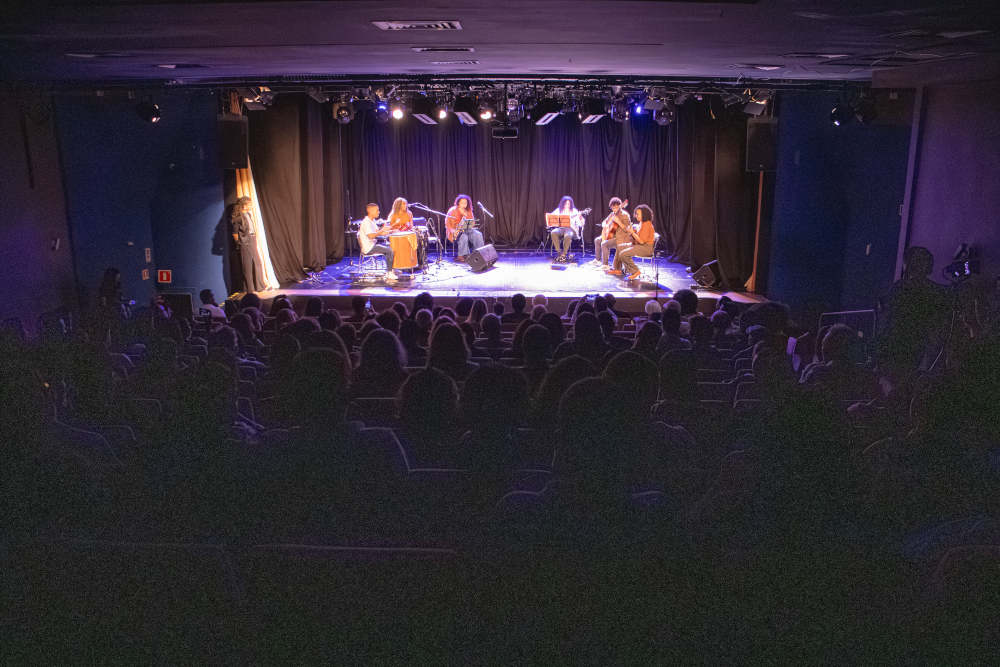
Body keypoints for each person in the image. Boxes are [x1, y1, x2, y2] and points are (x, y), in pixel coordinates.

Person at [609, 204, 655, 280]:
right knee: (620, 247)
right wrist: (632, 232)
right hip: (638, 245)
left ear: (644, 215)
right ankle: (618, 269)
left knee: (623, 254)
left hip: (645, 248)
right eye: (636, 214)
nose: (636, 216)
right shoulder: (642, 223)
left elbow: (642, 241)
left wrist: (632, 232)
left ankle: (635, 271)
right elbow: (637, 237)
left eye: (638, 214)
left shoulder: (647, 224)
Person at [358, 203, 399, 281]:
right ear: (371, 211)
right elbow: (371, 236)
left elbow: (379, 232)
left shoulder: (372, 221)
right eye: (377, 210)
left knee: (392, 246)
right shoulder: (366, 222)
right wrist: (381, 231)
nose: (378, 212)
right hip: (369, 248)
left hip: (372, 245)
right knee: (390, 251)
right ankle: (390, 272)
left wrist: (391, 231)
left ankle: (392, 268)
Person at [232, 196, 265, 293]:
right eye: (249, 204)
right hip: (245, 242)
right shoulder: (239, 218)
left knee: (257, 262)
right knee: (247, 266)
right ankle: (250, 289)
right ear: (244, 206)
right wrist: (240, 242)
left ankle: (260, 286)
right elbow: (234, 233)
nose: (251, 206)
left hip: (252, 239)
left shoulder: (248, 215)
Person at [445, 194, 484, 262]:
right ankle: (463, 255)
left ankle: (478, 254)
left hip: (466, 229)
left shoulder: (468, 211)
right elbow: (447, 223)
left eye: (465, 203)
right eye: (462, 203)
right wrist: (452, 230)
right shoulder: (452, 210)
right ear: (458, 203)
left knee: (479, 234)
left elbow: (473, 223)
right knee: (464, 237)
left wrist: (469, 224)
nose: (464, 205)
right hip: (455, 231)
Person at [593, 197, 629, 268]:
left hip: (620, 238)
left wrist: (618, 221)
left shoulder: (624, 215)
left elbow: (627, 229)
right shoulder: (612, 214)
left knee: (604, 243)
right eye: (612, 208)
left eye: (615, 208)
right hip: (611, 235)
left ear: (620, 206)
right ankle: (598, 260)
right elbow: (604, 222)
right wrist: (605, 226)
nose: (614, 210)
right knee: (597, 240)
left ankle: (605, 265)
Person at [549, 196, 584, 263]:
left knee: (567, 235)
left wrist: (580, 218)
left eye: (569, 204)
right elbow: (551, 217)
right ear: (562, 204)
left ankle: (564, 254)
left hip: (571, 228)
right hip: (561, 228)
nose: (567, 205)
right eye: (566, 204)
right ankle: (559, 252)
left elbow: (581, 224)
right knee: (553, 232)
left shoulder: (574, 211)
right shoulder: (559, 210)